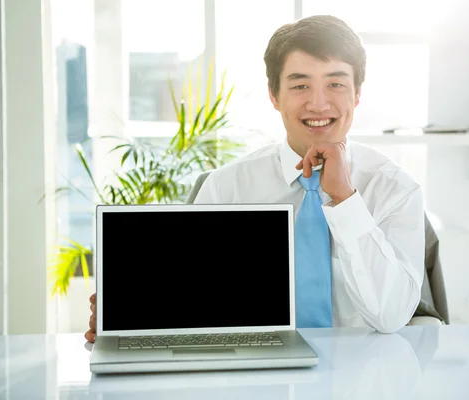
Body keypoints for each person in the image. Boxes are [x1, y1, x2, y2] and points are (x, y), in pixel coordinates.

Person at [85, 14, 424, 343]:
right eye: (301, 85)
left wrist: (345, 199)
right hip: (252, 372)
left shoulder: (396, 189)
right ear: (274, 96)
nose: (319, 103)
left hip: (364, 378)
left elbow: (391, 316)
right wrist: (130, 315)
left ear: (357, 94)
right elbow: (191, 299)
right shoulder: (224, 188)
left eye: (335, 84)